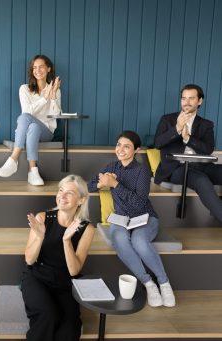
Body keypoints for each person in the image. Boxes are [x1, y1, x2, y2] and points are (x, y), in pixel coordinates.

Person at [87, 131, 176, 308]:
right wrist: (101, 183)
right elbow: (90, 185)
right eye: (119, 145)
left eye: (126, 146)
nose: (121, 149)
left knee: (139, 241)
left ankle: (164, 283)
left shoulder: (142, 171)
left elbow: (138, 203)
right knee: (119, 239)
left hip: (145, 218)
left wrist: (115, 185)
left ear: (136, 150)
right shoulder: (111, 167)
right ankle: (149, 284)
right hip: (120, 219)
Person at [21, 175, 95, 341]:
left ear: (81, 200)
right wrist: (40, 237)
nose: (62, 196)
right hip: (37, 278)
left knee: (70, 328)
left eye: (70, 193)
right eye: (61, 190)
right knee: (48, 316)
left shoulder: (87, 229)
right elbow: (29, 260)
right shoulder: (42, 218)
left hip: (66, 283)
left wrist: (66, 240)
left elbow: (74, 270)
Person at [154, 83, 222, 223]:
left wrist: (188, 138)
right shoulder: (167, 120)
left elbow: (208, 149)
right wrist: (177, 128)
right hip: (176, 169)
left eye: (191, 98)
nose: (186, 102)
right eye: (184, 98)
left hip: (201, 166)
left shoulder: (206, 124)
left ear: (200, 101)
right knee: (202, 180)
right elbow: (158, 143)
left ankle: (216, 211)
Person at [0, 55, 61, 186]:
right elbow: (27, 111)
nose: (38, 70)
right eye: (34, 68)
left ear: (48, 69)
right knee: (33, 126)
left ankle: (13, 159)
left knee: (25, 118)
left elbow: (55, 115)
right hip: (30, 131)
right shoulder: (24, 89)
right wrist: (44, 99)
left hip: (47, 132)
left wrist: (52, 95)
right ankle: (33, 171)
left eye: (41, 67)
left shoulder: (56, 90)